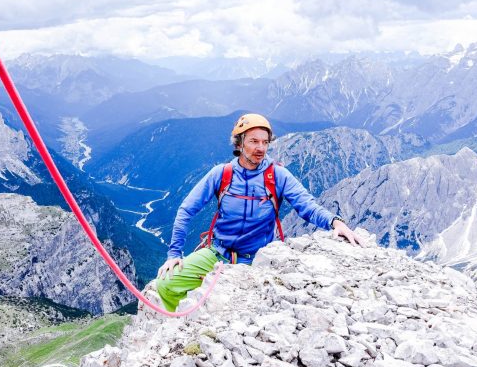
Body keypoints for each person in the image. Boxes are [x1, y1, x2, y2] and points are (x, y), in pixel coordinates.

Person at [155, 113, 363, 312]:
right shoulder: (222, 173)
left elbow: (306, 205)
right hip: (217, 254)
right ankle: (186, 322)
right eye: (254, 141)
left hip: (258, 259)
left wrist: (335, 222)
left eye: (265, 142)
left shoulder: (277, 175)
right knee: (166, 283)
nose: (261, 148)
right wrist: (174, 254)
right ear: (239, 143)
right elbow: (186, 209)